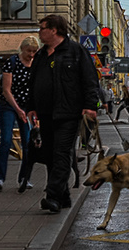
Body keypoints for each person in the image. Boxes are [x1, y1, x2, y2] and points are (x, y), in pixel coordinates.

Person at [26, 14, 100, 213]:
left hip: (68, 113)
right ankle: (64, 197)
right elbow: (33, 83)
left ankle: (52, 196)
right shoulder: (41, 55)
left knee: (61, 153)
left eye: (42, 28)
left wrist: (91, 106)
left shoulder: (75, 51)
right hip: (45, 114)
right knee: (50, 155)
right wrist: (31, 106)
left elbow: (90, 80)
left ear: (54, 30)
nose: (39, 32)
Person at [0, 35, 39, 193]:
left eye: (34, 51)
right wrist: (18, 109)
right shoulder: (11, 62)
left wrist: (33, 110)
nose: (31, 55)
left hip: (27, 107)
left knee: (27, 143)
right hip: (9, 105)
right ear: (22, 49)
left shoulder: (36, 65)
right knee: (6, 140)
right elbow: (6, 90)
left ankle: (24, 179)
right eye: (28, 51)